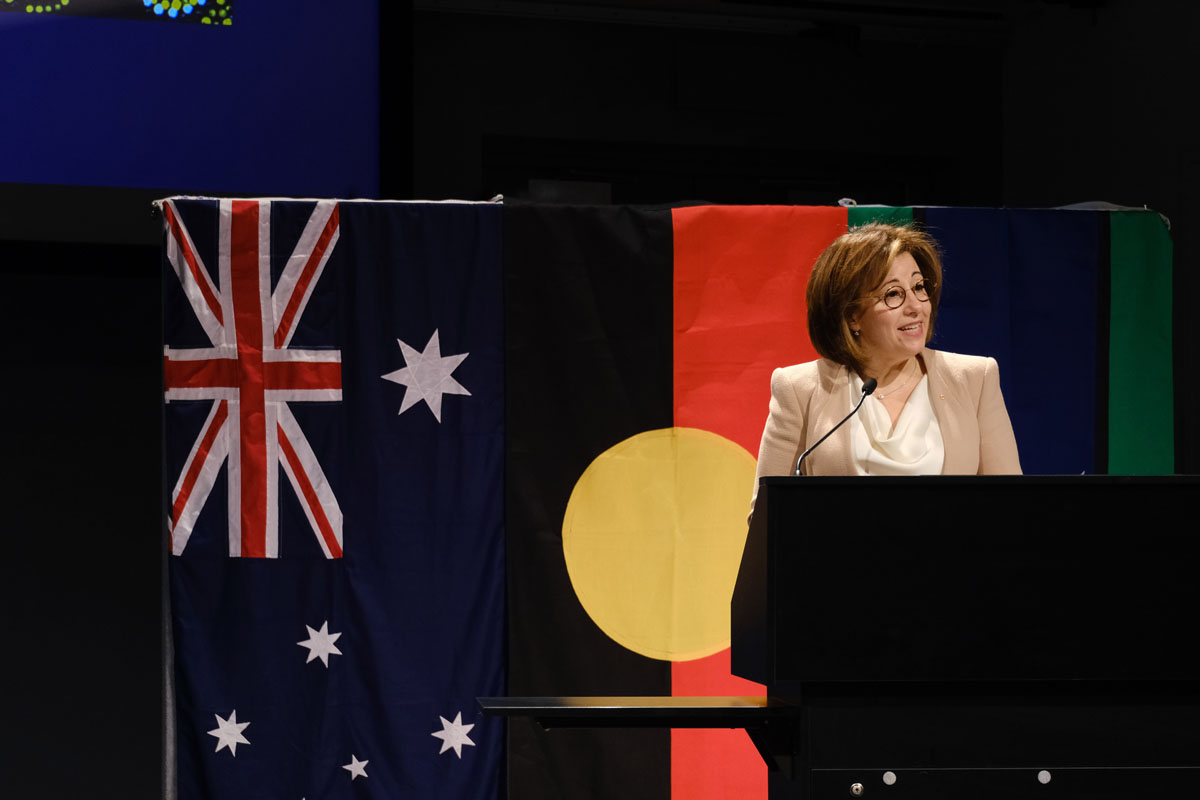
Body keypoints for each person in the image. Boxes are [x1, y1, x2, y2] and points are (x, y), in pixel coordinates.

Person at [750, 222, 1021, 508]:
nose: (916, 306)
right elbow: (767, 519)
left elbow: (1011, 505)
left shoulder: (974, 379)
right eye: (893, 294)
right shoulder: (799, 389)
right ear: (852, 316)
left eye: (918, 287)